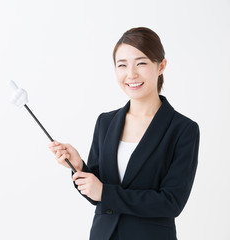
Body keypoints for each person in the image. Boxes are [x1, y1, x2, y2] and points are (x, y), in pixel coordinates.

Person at [49, 27, 200, 240]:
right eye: (122, 65)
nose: (131, 74)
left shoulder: (183, 129)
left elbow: (171, 202)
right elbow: (98, 195)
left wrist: (106, 193)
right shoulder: (106, 122)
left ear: (161, 66)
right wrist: (79, 166)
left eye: (141, 63)